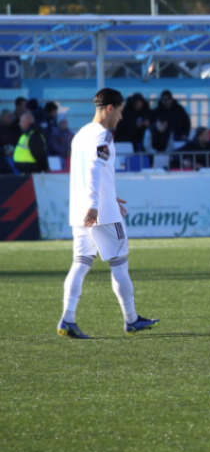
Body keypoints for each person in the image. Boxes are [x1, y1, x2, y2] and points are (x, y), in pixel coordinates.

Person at [57, 88, 159, 339]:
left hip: (81, 209)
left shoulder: (80, 135)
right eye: (121, 111)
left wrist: (103, 196)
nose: (122, 117)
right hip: (101, 213)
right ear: (110, 108)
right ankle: (131, 319)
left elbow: (85, 172)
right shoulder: (103, 136)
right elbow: (93, 168)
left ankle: (67, 318)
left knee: (80, 264)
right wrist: (97, 202)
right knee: (120, 265)